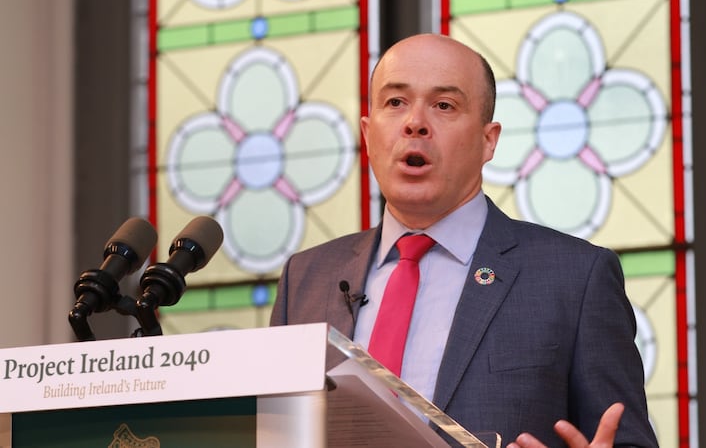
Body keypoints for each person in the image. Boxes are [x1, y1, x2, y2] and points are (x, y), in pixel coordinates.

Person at [270, 33, 658, 448]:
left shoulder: (575, 278)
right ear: (367, 134)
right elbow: (271, 431)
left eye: (444, 105)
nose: (414, 122)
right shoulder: (306, 278)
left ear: (488, 140)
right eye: (395, 102)